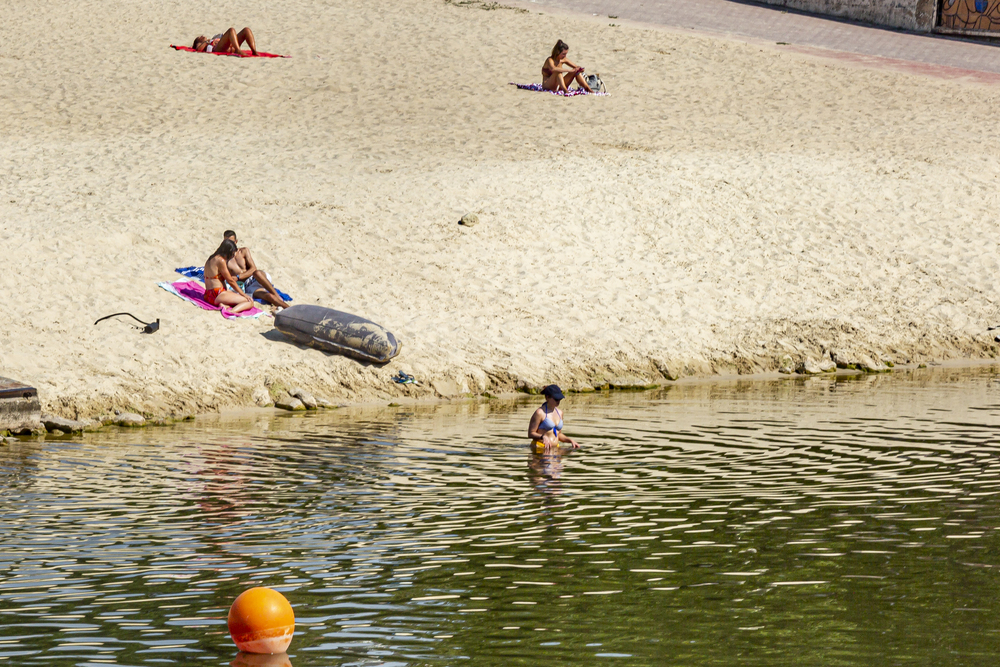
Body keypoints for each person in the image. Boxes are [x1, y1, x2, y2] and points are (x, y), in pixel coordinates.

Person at [223, 231, 290, 309]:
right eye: (226, 242)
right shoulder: (224, 259)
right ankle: (289, 309)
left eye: (231, 242)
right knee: (269, 297)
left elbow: (253, 269)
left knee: (257, 273)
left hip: (257, 278)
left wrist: (238, 277)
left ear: (236, 241)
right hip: (248, 286)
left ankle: (277, 296)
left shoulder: (243, 251)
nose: (229, 244)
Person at [204, 239, 254, 314]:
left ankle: (223, 304)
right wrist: (243, 294)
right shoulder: (221, 261)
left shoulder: (211, 257)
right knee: (249, 302)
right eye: (232, 253)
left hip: (208, 295)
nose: (233, 256)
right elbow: (230, 281)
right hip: (217, 294)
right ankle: (231, 311)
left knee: (234, 296)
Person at [528, 384, 580, 453]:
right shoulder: (540, 413)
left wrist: (570, 440)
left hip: (555, 449)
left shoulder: (560, 413)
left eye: (560, 399)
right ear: (547, 397)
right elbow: (531, 433)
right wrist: (543, 437)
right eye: (556, 399)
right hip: (540, 449)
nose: (558, 401)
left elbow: (558, 434)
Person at [193, 27, 258, 57]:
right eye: (199, 37)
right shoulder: (201, 43)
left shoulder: (211, 39)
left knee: (246, 30)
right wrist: (207, 42)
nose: (202, 36)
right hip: (219, 48)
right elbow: (198, 49)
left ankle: (254, 50)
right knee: (231, 30)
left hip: (230, 45)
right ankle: (238, 50)